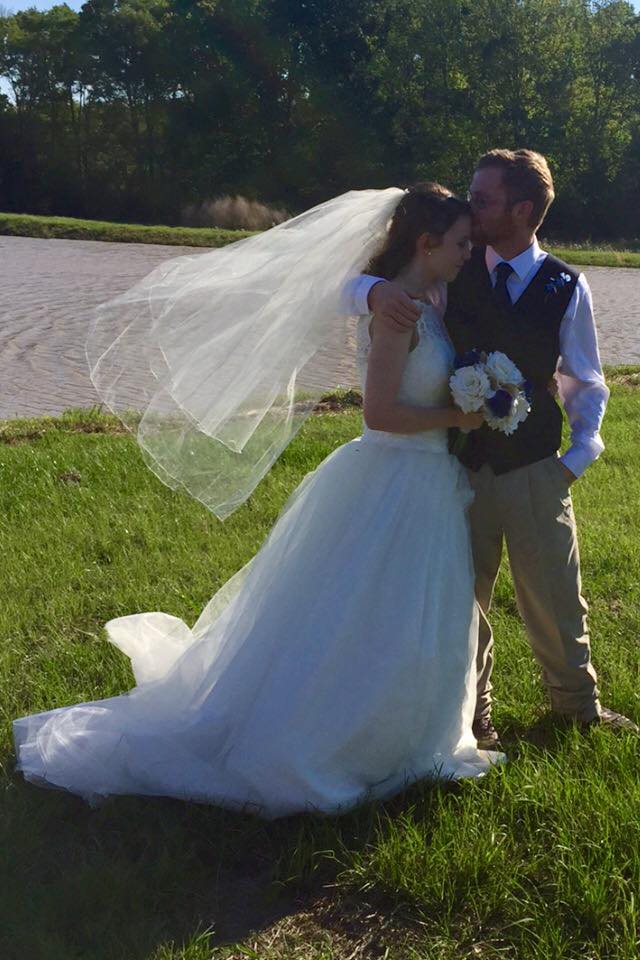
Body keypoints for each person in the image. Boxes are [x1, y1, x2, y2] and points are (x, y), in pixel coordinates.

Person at [13, 183, 503, 820]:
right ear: (426, 243)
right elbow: (380, 413)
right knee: (363, 612)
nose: (471, 252)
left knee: (410, 613)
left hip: (426, 482)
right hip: (393, 477)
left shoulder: (427, 300)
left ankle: (409, 737)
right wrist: (458, 417)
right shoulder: (397, 311)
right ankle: (336, 740)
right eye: (462, 243)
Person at [347, 149, 638, 749]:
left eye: (483, 199)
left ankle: (577, 706)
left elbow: (584, 379)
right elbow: (364, 281)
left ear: (522, 209)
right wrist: (372, 292)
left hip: (536, 466)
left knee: (555, 591)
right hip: (460, 465)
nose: (470, 207)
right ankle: (474, 716)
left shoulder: (566, 285)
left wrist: (576, 459)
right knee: (462, 595)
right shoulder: (453, 269)